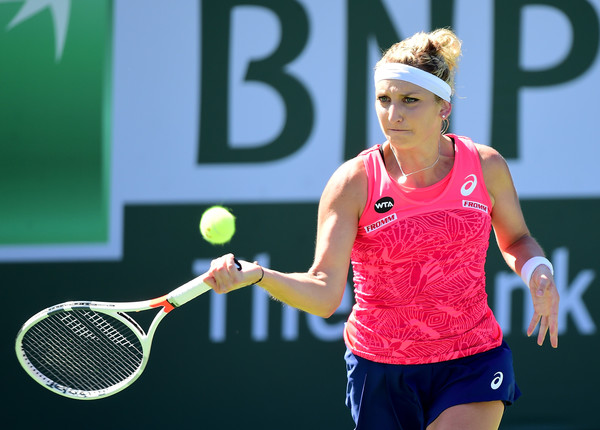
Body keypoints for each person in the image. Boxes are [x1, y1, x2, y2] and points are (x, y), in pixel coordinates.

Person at [206, 28, 560, 430]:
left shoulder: (485, 166)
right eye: (384, 100)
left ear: (443, 106)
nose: (394, 115)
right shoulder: (354, 182)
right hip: (381, 368)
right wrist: (260, 275)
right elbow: (324, 293)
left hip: (473, 358)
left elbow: (516, 238)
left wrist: (537, 271)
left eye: (410, 101)